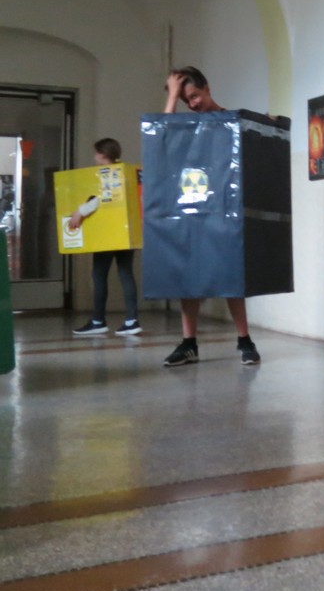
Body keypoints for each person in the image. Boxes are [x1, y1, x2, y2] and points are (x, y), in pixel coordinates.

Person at [159, 66, 261, 367]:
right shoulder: (185, 126)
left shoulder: (232, 121)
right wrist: (172, 97)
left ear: (208, 89)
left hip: (225, 209)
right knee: (188, 277)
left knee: (231, 274)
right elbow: (160, 138)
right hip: (192, 207)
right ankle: (188, 344)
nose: (192, 104)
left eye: (194, 96)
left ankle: (245, 340)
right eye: (185, 100)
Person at [70, 138, 142, 336]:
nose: (94, 157)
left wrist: (79, 212)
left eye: (96, 153)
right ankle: (132, 320)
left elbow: (100, 199)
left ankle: (98, 320)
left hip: (108, 232)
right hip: (127, 231)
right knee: (126, 273)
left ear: (103, 154)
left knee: (99, 274)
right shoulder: (127, 172)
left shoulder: (107, 173)